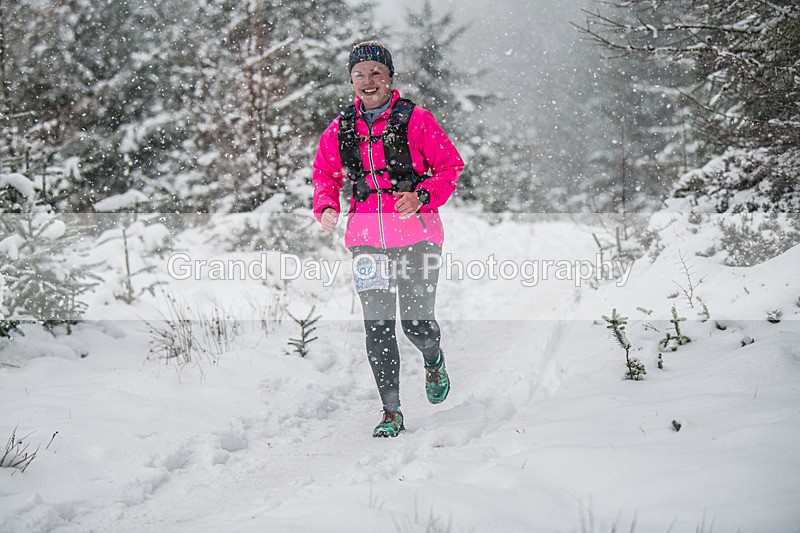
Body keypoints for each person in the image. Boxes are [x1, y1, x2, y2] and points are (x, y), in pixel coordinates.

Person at [313, 41, 464, 438]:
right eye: (359, 74)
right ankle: (391, 411)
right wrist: (326, 205)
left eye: (376, 73)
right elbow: (324, 174)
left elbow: (450, 166)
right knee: (378, 328)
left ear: (390, 77)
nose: (368, 81)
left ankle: (433, 358)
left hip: (417, 237)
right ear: (350, 80)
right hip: (366, 240)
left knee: (416, 324)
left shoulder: (416, 119)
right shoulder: (342, 127)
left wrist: (422, 196)